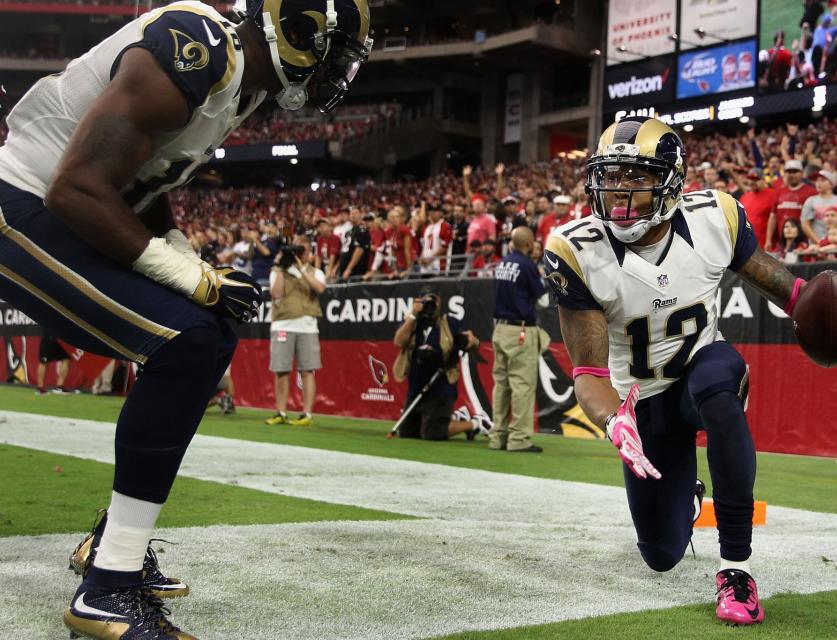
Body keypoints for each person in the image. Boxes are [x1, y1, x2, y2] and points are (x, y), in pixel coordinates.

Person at [0, 0, 371, 636]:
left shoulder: (239, 85)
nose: (335, 73)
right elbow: (78, 186)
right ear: (299, 32)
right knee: (189, 339)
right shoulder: (193, 44)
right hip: (24, 200)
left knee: (209, 334)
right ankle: (107, 587)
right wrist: (189, 278)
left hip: (63, 205)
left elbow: (139, 177)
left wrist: (184, 255)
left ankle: (111, 545)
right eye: (334, 54)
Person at [543, 116, 837, 626]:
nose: (620, 191)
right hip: (643, 399)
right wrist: (614, 421)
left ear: (671, 181)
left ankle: (736, 571)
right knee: (660, 554)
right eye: (612, 176)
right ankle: (686, 499)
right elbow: (588, 374)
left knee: (721, 395)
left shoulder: (713, 217)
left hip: (703, 366)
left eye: (637, 177)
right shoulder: (575, 250)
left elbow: (788, 292)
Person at [391, 288, 485, 440]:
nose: (430, 305)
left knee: (432, 433)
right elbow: (398, 342)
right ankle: (457, 416)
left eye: (433, 301)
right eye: (427, 301)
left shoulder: (450, 323)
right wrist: (413, 315)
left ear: (439, 302)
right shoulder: (413, 323)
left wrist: (469, 342)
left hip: (441, 389)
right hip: (416, 389)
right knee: (407, 432)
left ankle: (474, 424)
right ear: (419, 302)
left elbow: (474, 342)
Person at [490, 226, 550, 453]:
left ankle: (497, 436)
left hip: (500, 330)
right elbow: (543, 302)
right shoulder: (527, 266)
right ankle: (518, 440)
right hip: (520, 332)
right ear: (528, 244)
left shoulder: (502, 263)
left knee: (501, 386)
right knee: (522, 386)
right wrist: (543, 279)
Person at [265, 240, 327, 427]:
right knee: (281, 371)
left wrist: (301, 269)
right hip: (283, 325)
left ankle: (306, 414)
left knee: (308, 370)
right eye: (298, 252)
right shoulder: (277, 271)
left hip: (307, 326)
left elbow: (320, 289)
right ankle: (281, 412)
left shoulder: (316, 272)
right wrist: (280, 268)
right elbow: (276, 294)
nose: (301, 254)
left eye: (304, 251)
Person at [765, 159, 816, 250]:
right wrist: (768, 239)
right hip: (783, 241)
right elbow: (773, 216)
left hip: (804, 242)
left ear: (801, 173)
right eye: (789, 172)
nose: (792, 174)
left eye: (795, 171)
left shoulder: (811, 192)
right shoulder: (779, 192)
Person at [800, 170, 837, 243]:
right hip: (816, 246)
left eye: (823, 180)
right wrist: (819, 241)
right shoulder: (810, 201)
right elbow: (805, 224)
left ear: (831, 184)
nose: (818, 183)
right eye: (817, 180)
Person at [36, 328, 73, 394]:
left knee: (66, 359)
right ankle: (40, 387)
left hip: (64, 335)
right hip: (50, 333)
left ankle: (59, 386)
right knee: (44, 361)